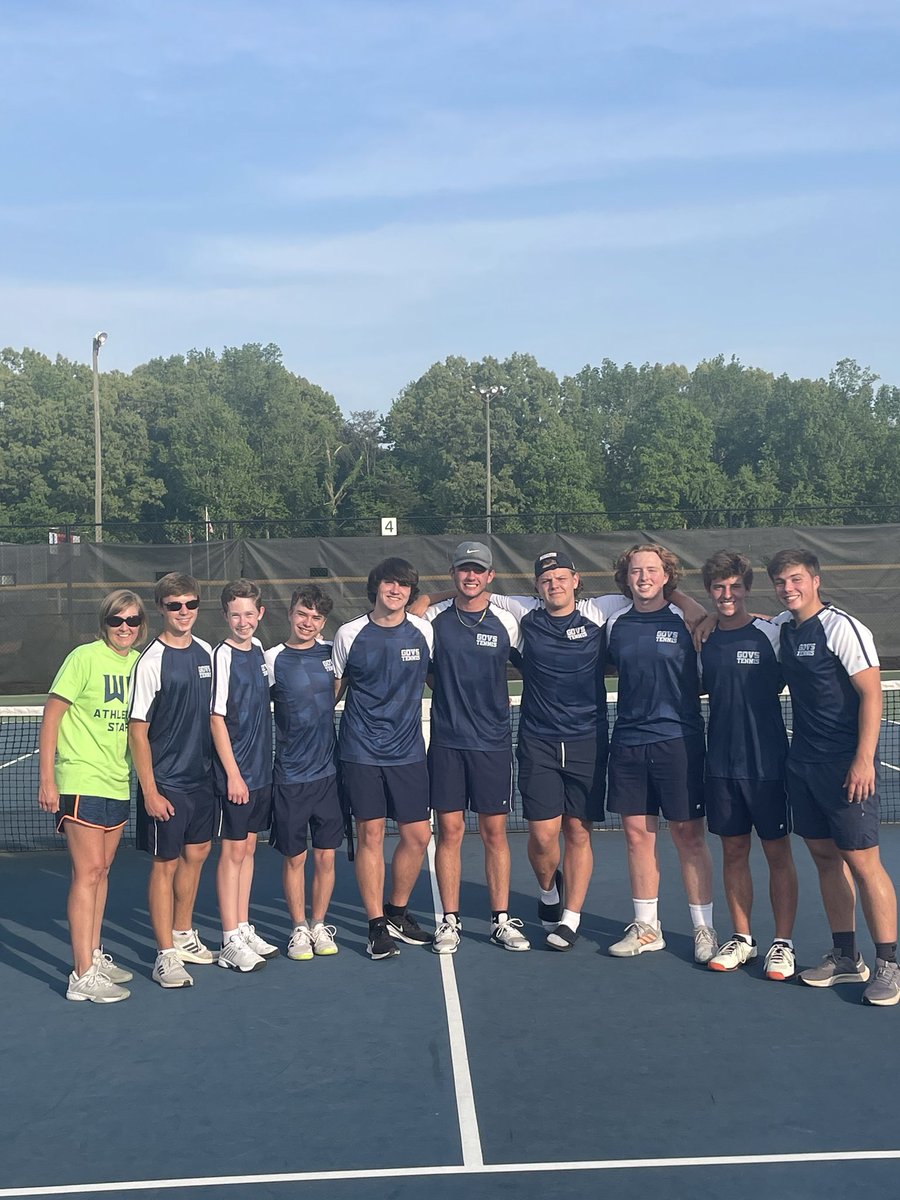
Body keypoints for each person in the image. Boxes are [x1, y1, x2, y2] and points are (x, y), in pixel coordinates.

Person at [767, 549, 899, 1006]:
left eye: (796, 579)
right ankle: (846, 956)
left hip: (846, 768)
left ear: (816, 580)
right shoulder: (785, 630)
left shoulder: (842, 627)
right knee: (825, 858)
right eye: (782, 581)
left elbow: (872, 693)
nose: (789, 588)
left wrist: (864, 759)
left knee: (864, 863)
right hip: (803, 765)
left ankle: (889, 966)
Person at [605, 543, 717, 964]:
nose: (644, 577)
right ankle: (648, 928)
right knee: (637, 836)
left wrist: (690, 605)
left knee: (689, 835)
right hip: (629, 741)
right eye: (636, 571)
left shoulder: (689, 621)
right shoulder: (614, 621)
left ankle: (704, 929)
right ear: (626, 577)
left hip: (679, 740)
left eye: (652, 570)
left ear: (667, 575)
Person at [419, 542, 530, 954]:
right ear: (454, 574)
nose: (471, 577)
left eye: (478, 571)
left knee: (495, 833)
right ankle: (450, 920)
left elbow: (531, 667)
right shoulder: (433, 622)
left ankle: (501, 919)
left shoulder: (506, 621)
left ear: (490, 576)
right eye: (464, 570)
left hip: (493, 744)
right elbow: (418, 643)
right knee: (448, 832)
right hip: (447, 742)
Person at [38, 590, 148, 1003]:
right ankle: (81, 973)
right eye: (117, 621)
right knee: (87, 872)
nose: (124, 628)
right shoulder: (83, 657)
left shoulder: (141, 664)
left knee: (102, 870)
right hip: (80, 778)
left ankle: (94, 955)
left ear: (141, 625)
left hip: (118, 780)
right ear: (105, 623)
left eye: (132, 621)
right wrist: (48, 779)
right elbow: (52, 716)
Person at [699, 551, 798, 979]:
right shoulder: (703, 637)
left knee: (777, 853)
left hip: (768, 764)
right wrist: (704, 618)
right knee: (733, 851)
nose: (727, 595)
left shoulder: (772, 634)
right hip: (720, 763)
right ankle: (742, 938)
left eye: (735, 586)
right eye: (719, 588)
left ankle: (783, 944)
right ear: (710, 592)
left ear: (746, 588)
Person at [332, 557, 434, 960]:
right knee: (371, 835)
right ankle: (376, 926)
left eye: (404, 585)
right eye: (389, 584)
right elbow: (334, 690)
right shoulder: (349, 633)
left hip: (409, 751)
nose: (395, 590)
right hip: (361, 751)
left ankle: (396, 910)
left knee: (418, 836)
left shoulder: (423, 630)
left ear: (411, 592)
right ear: (375, 588)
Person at [129, 573, 216, 988]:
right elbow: (137, 729)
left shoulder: (206, 653)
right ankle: (165, 955)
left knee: (197, 855)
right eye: (175, 605)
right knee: (165, 865)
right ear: (161, 608)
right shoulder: (151, 660)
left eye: (191, 604)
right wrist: (150, 790)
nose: (184, 612)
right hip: (167, 783)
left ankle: (183, 934)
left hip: (203, 781)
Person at [265, 585, 344, 961]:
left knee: (326, 858)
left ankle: (318, 924)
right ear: (291, 613)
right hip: (290, 778)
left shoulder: (333, 654)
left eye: (315, 618)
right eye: (302, 614)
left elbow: (337, 691)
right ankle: (298, 928)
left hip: (328, 777)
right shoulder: (272, 659)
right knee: (295, 858)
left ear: (323, 622)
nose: (307, 623)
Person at [211, 580, 278, 972]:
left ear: (260, 614)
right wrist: (234, 775)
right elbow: (216, 718)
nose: (243, 621)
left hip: (261, 772)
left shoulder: (259, 654)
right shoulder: (222, 656)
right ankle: (228, 939)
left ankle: (243, 925)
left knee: (249, 850)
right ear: (225, 616)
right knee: (233, 852)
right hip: (235, 775)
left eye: (249, 614)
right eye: (235, 614)